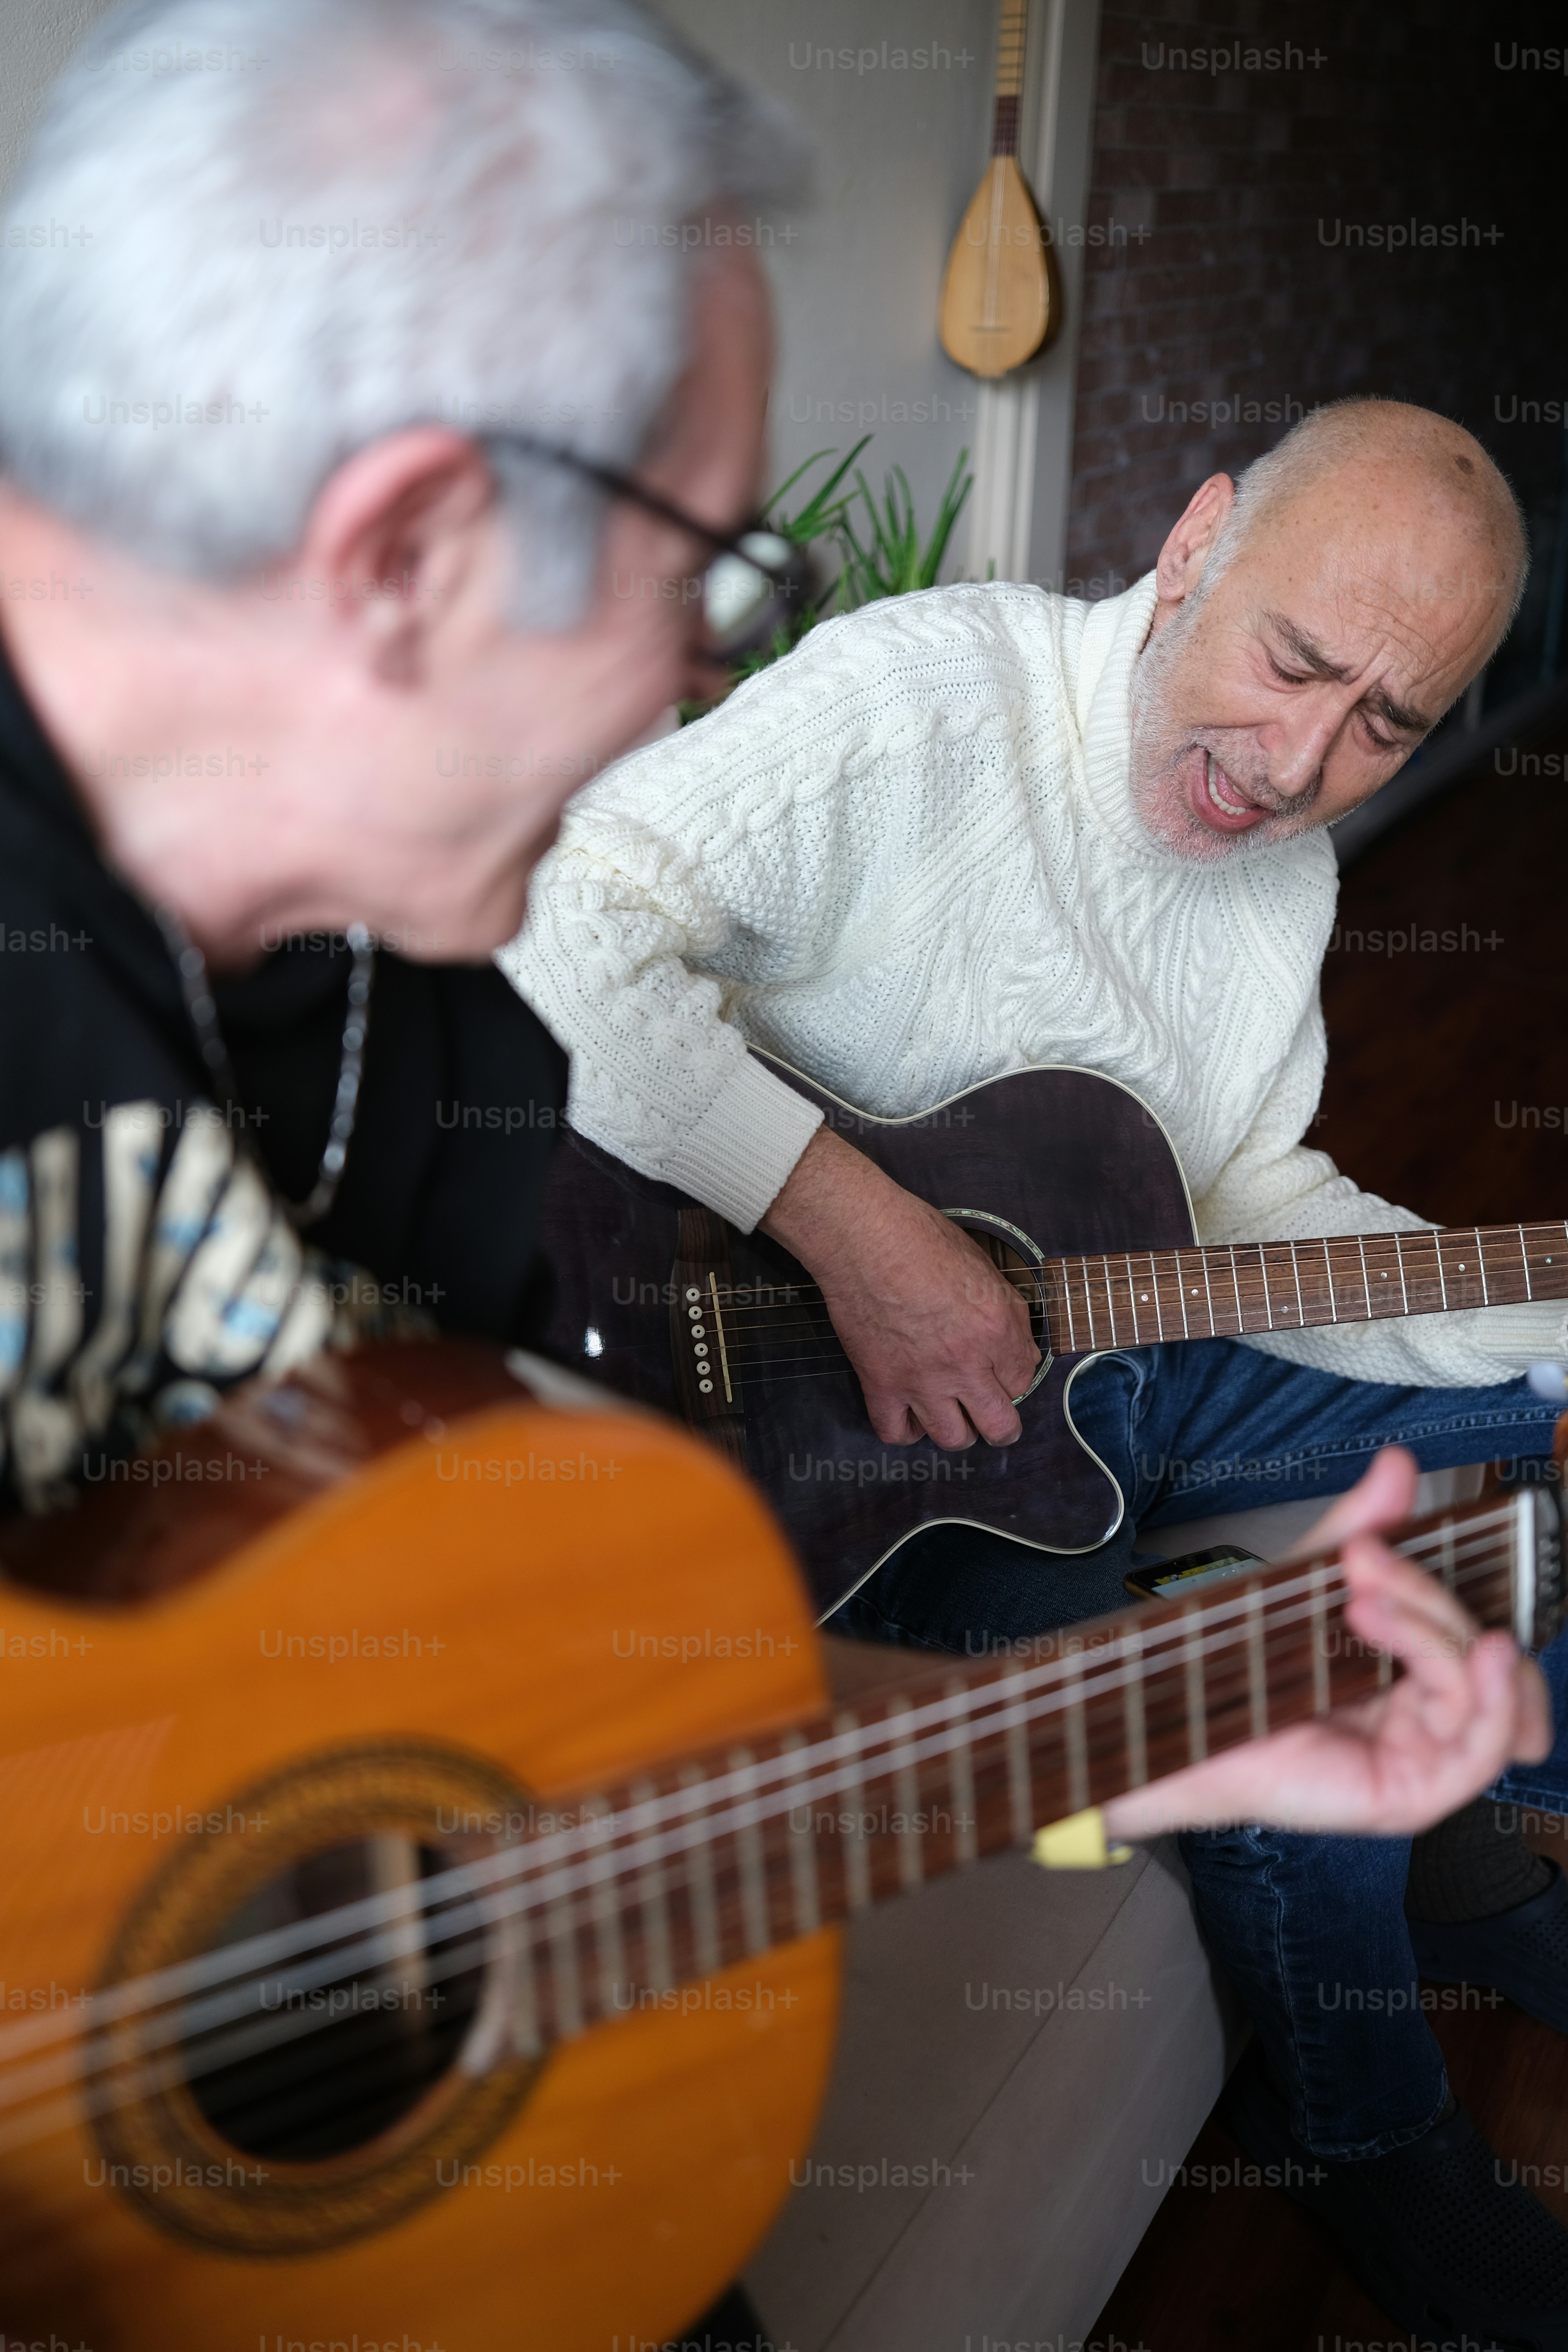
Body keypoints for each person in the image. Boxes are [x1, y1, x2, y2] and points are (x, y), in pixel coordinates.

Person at [0, 1, 1552, 2341]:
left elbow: (631, 1771)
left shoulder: (404, 1045)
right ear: (404, 547)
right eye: (706, 591)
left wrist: (1173, 1750)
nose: (690, 705)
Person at [509, 397, 1568, 2343]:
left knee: (1551, 1424)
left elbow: (1240, 1197)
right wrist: (851, 1221)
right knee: (1227, 1684)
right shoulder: (924, 698)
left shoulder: (1288, 873)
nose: (1304, 763)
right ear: (1194, 546)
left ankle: (1469, 1852)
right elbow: (559, 921)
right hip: (838, 1459)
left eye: (1390, 728)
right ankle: (1368, 2135)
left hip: (1126, 1357)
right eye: (1296, 662)